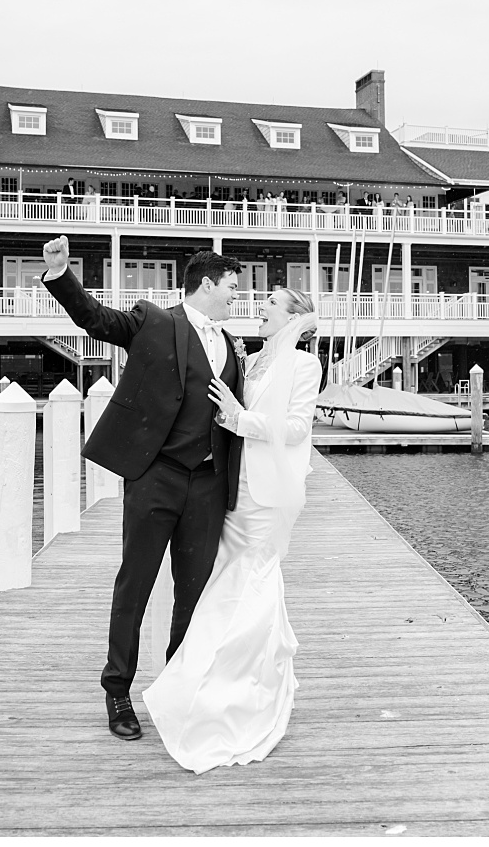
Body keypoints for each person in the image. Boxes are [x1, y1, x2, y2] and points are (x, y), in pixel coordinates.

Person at [40, 237, 245, 741]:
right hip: (157, 476)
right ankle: (117, 692)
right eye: (231, 287)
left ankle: (180, 685)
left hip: (208, 482)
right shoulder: (155, 321)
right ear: (206, 284)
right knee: (135, 585)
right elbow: (97, 319)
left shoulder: (229, 341)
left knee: (193, 591)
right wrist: (61, 273)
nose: (235, 296)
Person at [143, 288, 321, 773]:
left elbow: (296, 429)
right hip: (231, 488)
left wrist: (242, 418)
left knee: (250, 586)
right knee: (222, 584)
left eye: (270, 306)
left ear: (294, 318)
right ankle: (210, 683)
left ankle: (244, 697)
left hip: (267, 497)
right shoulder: (252, 359)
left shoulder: (304, 367)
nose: (260, 310)